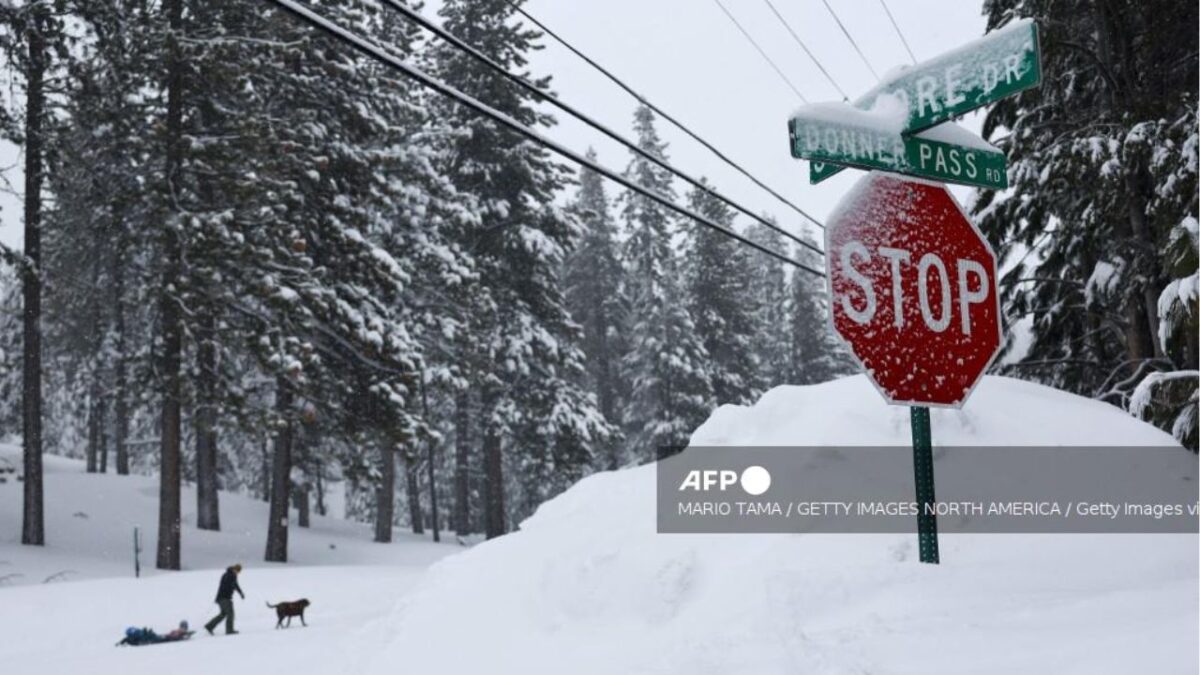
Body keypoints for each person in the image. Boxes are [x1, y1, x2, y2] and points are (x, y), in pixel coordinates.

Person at [204, 564, 245, 635]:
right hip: (224, 598)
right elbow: (227, 585)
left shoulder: (232, 575)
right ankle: (229, 630)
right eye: (237, 571)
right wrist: (231, 588)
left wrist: (240, 593)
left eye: (239, 572)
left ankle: (209, 626)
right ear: (234, 569)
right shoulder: (228, 575)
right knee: (230, 613)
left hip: (222, 598)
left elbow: (235, 585)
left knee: (223, 614)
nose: (238, 573)